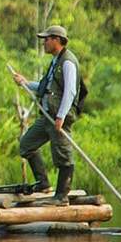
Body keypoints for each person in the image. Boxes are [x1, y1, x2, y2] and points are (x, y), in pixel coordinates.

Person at [12, 24, 81, 203]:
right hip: (47, 116)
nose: (44, 43)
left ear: (57, 40)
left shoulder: (67, 62)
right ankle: (43, 183)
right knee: (26, 145)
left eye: (47, 39)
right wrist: (25, 83)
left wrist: (61, 116)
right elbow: (46, 87)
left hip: (58, 117)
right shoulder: (55, 61)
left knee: (63, 155)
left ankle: (62, 196)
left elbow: (70, 92)